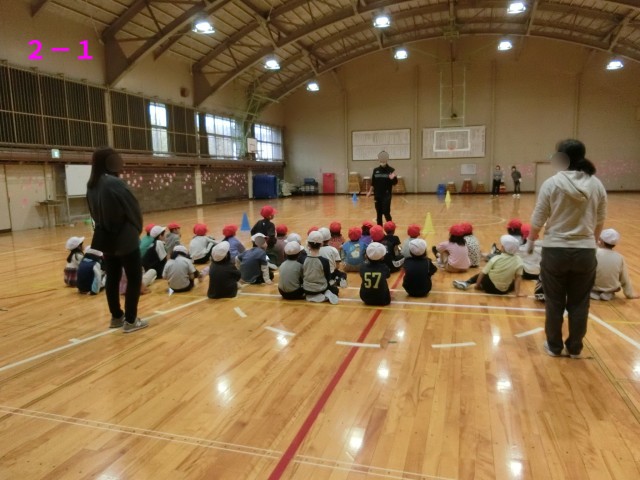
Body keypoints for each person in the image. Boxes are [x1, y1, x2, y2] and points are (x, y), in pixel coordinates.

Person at [527, 139, 607, 358]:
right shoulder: (596, 184)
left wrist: (531, 239)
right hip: (585, 251)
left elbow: (538, 217)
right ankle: (575, 347)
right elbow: (600, 218)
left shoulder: (552, 183)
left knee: (554, 302)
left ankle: (554, 346)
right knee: (580, 303)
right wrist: (592, 242)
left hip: (555, 250)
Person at [86, 146, 147, 333]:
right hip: (124, 237)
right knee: (134, 278)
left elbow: (93, 213)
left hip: (105, 238)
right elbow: (133, 208)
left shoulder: (92, 184)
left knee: (112, 277)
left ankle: (116, 317)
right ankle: (131, 320)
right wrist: (136, 228)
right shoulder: (114, 183)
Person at [453, 235, 525, 296]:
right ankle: (482, 285)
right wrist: (517, 293)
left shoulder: (496, 258)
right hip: (503, 291)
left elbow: (482, 273)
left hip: (489, 287)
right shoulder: (519, 260)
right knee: (512, 281)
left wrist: (477, 286)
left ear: (503, 248)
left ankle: (467, 282)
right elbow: (518, 278)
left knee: (485, 273)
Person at [591, 229, 639, 301]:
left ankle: (593, 292)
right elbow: (625, 279)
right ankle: (608, 293)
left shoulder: (594, 252)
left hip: (593, 286)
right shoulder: (620, 257)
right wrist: (630, 294)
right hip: (610, 287)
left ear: (601, 241)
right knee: (616, 287)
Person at [303, 231, 339, 304]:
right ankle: (323, 296)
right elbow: (327, 277)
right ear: (321, 244)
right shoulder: (324, 261)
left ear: (308, 244)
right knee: (335, 290)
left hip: (306, 289)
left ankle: (312, 296)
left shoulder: (304, 259)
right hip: (321, 289)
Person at [366, 151, 398, 225]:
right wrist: (370, 192)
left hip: (387, 195)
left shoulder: (391, 170)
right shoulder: (375, 170)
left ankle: (390, 228)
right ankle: (379, 229)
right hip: (377, 195)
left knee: (386, 212)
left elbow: (395, 183)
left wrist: (393, 178)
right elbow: (373, 183)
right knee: (379, 213)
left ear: (387, 159)